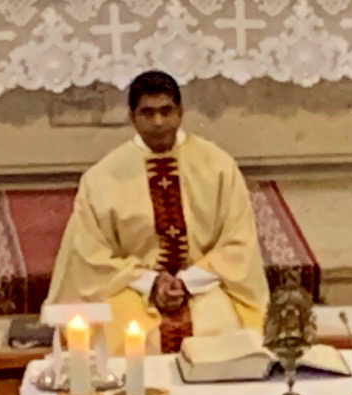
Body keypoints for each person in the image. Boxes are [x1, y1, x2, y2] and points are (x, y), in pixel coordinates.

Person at [50, 70, 269, 354]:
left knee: (219, 330)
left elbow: (237, 244)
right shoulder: (102, 178)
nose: (158, 122)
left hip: (205, 284)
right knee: (131, 337)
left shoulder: (218, 166)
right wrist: (152, 282)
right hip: (132, 287)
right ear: (132, 117)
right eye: (147, 113)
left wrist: (187, 282)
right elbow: (91, 255)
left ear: (180, 112)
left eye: (166, 111)